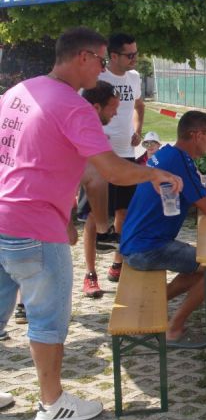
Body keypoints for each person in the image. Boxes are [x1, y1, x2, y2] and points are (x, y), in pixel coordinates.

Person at [0, 27, 181, 420]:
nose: (103, 70)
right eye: (101, 60)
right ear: (82, 57)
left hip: (4, 218)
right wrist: (155, 174)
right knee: (47, 321)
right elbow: (110, 171)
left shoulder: (18, 92)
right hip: (35, 227)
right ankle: (52, 404)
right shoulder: (73, 105)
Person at [120, 111, 206, 346]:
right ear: (196, 135)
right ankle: (174, 329)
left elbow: (201, 195)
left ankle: (150, 306)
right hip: (147, 248)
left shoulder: (171, 155)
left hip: (137, 242)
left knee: (199, 264)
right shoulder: (179, 161)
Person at [99, 32, 145, 284]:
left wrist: (137, 130)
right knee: (95, 217)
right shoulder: (98, 77)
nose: (134, 59)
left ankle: (117, 263)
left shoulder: (134, 77)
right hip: (101, 156)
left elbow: (139, 106)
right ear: (113, 56)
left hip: (127, 154)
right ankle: (90, 273)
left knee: (124, 212)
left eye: (136, 53)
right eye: (130, 55)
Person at [79, 81, 122, 298]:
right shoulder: (84, 130)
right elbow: (96, 180)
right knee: (92, 217)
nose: (116, 113)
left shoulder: (91, 127)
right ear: (96, 107)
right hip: (32, 211)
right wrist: (153, 174)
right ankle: (90, 274)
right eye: (113, 107)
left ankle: (115, 256)